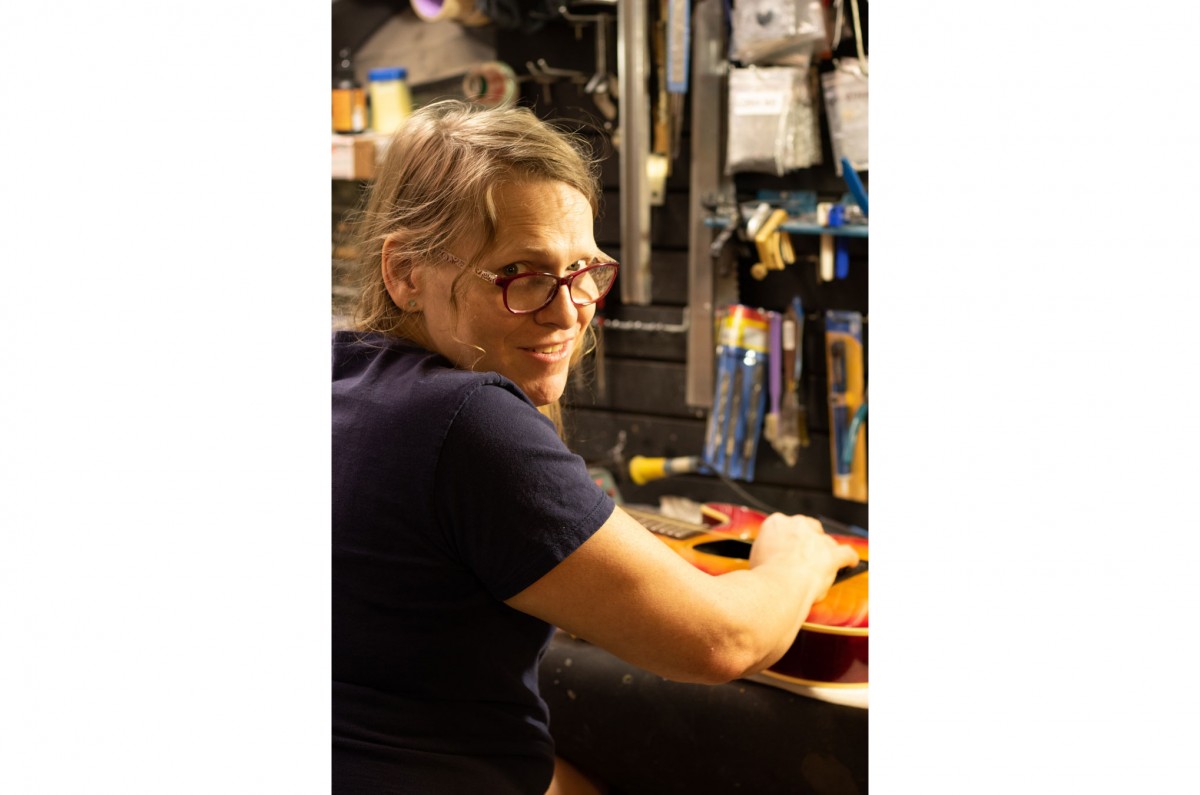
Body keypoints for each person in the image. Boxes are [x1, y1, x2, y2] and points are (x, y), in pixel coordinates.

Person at [332, 99, 860, 794]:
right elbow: (723, 639)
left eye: (583, 272)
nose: (566, 312)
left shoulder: (343, 375)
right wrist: (795, 560)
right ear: (404, 272)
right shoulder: (467, 418)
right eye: (520, 274)